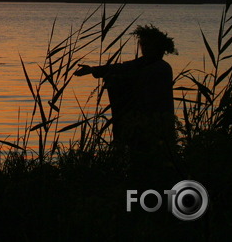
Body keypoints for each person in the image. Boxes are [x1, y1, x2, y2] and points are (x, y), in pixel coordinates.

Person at [74, 25, 177, 168]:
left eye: (147, 45)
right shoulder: (143, 63)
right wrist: (93, 70)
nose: (144, 48)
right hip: (143, 123)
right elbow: (122, 67)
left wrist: (115, 79)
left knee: (157, 160)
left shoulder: (161, 68)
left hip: (157, 123)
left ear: (157, 47)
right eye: (143, 44)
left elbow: (135, 77)